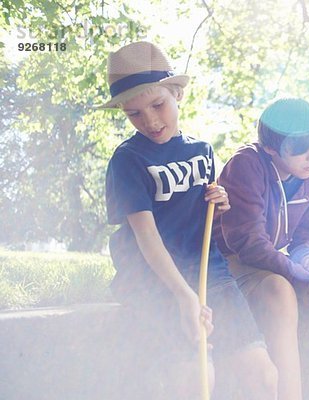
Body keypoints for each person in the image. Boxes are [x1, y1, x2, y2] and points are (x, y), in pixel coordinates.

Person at [100, 41, 277, 400]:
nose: (149, 120)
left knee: (262, 375)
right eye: (134, 113)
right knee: (197, 380)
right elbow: (147, 238)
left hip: (209, 273)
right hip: (156, 281)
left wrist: (219, 200)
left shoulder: (202, 152)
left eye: (157, 105)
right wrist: (184, 296)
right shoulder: (127, 160)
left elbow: (199, 212)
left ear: (177, 93)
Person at [213, 98, 309, 400]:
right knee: (279, 291)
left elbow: (306, 239)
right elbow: (249, 245)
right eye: (300, 146)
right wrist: (308, 284)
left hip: (271, 261)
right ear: (272, 147)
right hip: (231, 262)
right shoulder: (246, 165)